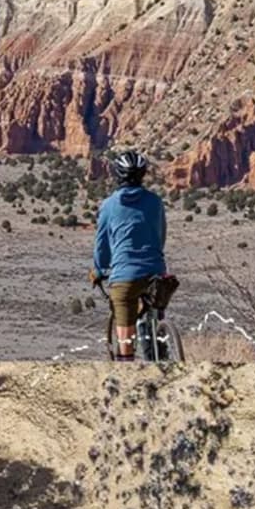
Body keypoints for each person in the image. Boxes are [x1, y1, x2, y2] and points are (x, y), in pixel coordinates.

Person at [90, 150, 168, 360]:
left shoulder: (109, 206)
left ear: (117, 175)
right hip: (156, 271)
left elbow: (102, 245)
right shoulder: (155, 201)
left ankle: (127, 367)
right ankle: (161, 350)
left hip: (125, 275)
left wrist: (99, 270)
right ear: (142, 174)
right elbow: (160, 235)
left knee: (125, 331)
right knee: (155, 307)